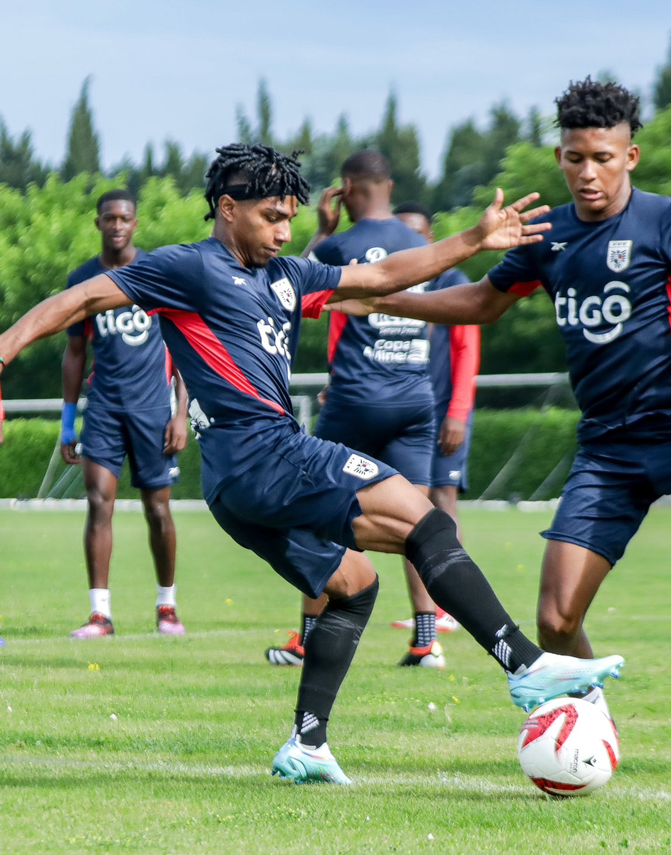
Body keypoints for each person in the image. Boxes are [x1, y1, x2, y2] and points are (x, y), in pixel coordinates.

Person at [0, 142, 624, 785]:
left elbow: (382, 277)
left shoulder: (289, 277)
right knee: (427, 522)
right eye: (271, 216)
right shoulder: (189, 269)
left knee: (353, 587)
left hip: (235, 489)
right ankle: (526, 667)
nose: (285, 231)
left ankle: (308, 743)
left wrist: (473, 238)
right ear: (226, 208)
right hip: (265, 453)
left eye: (290, 217)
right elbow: (75, 302)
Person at [353, 78, 671, 743]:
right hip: (606, 447)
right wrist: (386, 301)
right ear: (559, 156)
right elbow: (479, 303)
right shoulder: (545, 235)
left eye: (602, 157)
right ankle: (591, 727)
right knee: (556, 618)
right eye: (573, 157)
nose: (587, 173)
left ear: (630, 156)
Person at [270, 151, 445, 670]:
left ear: (345, 190)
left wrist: (321, 234)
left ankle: (305, 638)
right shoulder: (421, 246)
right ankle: (427, 640)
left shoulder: (342, 245)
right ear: (388, 185)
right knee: (420, 520)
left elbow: (284, 291)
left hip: (357, 398)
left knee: (317, 511)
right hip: (416, 398)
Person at [61, 189, 189, 639]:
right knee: (99, 504)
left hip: (154, 411)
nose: (117, 225)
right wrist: (66, 421)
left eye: (124, 218)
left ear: (135, 223)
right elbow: (75, 352)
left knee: (158, 510)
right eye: (109, 218)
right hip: (104, 411)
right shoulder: (82, 280)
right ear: (98, 223)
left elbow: (185, 343)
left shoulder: (159, 272)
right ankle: (100, 615)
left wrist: (181, 413)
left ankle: (167, 607)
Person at [389, 202, 480, 636]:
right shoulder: (390, 282)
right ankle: (430, 607)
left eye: (417, 234)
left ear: (429, 238)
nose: (410, 241)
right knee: (412, 506)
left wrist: (458, 413)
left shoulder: (450, 281)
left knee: (442, 501)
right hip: (405, 416)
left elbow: (466, 351)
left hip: (445, 412)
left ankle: (453, 604)